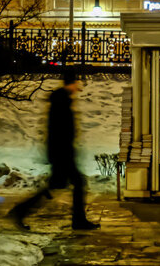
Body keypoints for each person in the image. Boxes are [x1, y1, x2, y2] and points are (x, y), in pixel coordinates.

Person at [9, 72, 99, 230]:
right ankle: (78, 221)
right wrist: (63, 153)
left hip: (61, 153)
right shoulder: (62, 101)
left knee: (57, 186)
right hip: (62, 154)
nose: (79, 86)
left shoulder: (62, 100)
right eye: (77, 83)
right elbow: (59, 131)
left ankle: (20, 211)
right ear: (72, 83)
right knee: (77, 183)